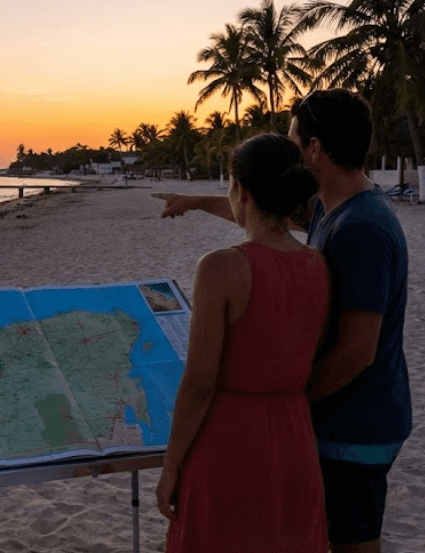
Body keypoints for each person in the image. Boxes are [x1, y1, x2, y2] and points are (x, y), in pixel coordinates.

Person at [154, 89, 411, 553]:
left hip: (353, 425)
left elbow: (357, 351)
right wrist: (194, 200)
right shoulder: (331, 219)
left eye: (293, 143)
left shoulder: (361, 228)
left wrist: (283, 395)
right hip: (307, 428)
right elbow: (266, 223)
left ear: (314, 149)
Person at [155, 133, 329, 552]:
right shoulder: (316, 262)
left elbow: (200, 382)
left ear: (242, 190)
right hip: (294, 439)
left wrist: (171, 465)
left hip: (231, 440)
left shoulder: (221, 268)